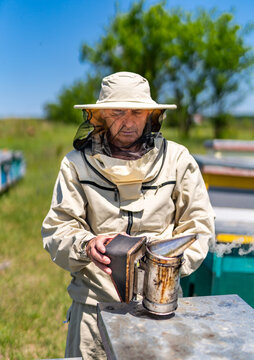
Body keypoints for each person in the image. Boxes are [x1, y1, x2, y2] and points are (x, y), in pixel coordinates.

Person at [41, 71, 215, 359]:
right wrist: (86, 245)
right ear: (99, 117)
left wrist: (169, 265)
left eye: (137, 111)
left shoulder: (178, 159)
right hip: (94, 305)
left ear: (151, 115)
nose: (128, 120)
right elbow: (58, 228)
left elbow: (198, 225)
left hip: (162, 306)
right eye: (117, 111)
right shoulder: (75, 165)